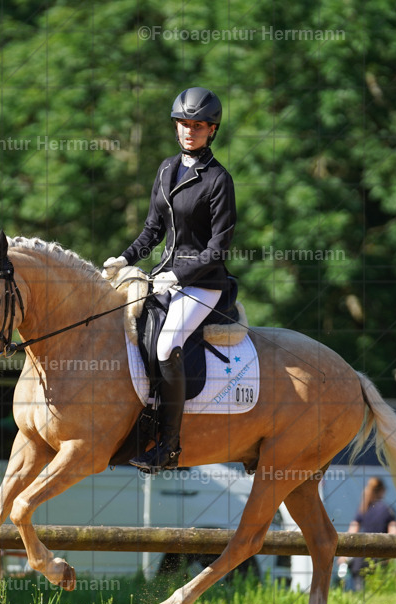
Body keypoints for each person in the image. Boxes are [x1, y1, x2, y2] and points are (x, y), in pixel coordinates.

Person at [102, 87, 236, 475]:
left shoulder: (217, 180)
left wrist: (178, 274)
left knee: (166, 346)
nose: (188, 131)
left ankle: (169, 446)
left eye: (197, 125)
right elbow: (151, 231)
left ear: (212, 130)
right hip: (164, 278)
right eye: (183, 124)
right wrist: (123, 258)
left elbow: (218, 248)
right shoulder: (165, 168)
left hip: (204, 284)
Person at [337, 477, 396, 592]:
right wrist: (391, 555)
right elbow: (394, 534)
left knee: (360, 594)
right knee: (381, 594)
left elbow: (351, 533)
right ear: (382, 491)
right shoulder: (389, 510)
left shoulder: (363, 509)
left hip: (361, 560)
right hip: (380, 560)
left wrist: (344, 555)